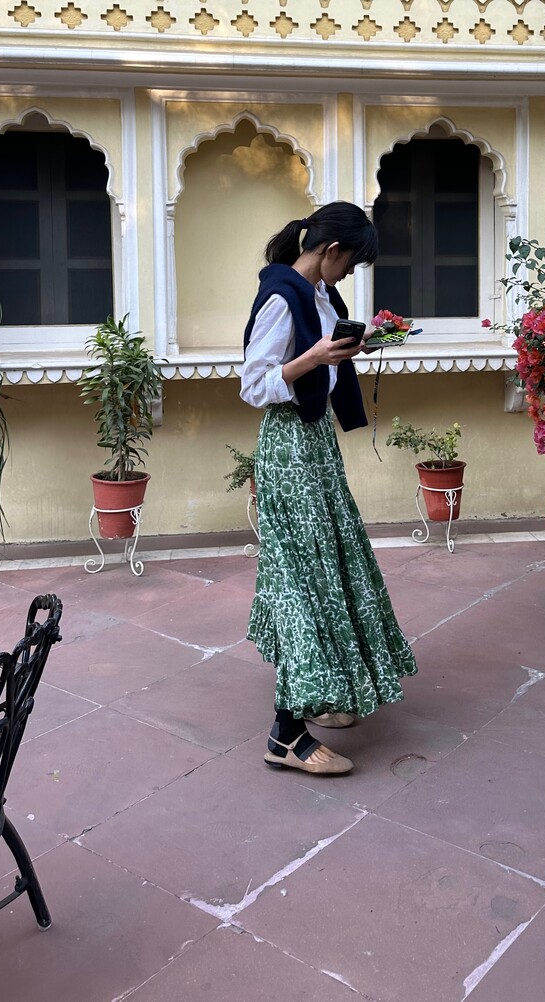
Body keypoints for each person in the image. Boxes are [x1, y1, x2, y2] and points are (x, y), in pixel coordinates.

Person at [240, 201, 418, 776]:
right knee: (302, 578)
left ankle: (319, 694)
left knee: (328, 567)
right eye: (351, 262)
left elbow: (327, 363)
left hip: (315, 443)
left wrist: (355, 346)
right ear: (331, 249)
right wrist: (313, 358)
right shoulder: (281, 295)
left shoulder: (321, 296)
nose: (350, 273)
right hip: (289, 448)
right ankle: (285, 736)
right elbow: (253, 384)